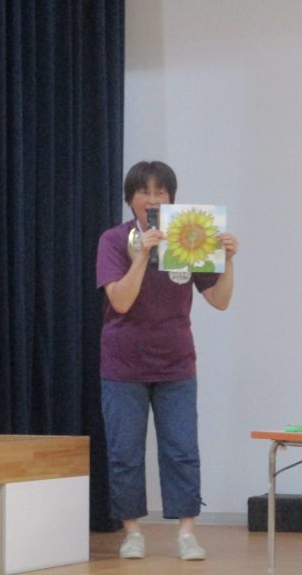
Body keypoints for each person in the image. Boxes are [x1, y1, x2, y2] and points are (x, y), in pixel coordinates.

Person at [96, 160, 238, 561]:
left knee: (181, 449)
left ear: (172, 199)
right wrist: (143, 253)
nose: (153, 199)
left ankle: (187, 533)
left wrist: (228, 260)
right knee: (125, 453)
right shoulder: (114, 240)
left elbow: (220, 300)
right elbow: (120, 301)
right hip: (123, 366)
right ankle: (132, 532)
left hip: (176, 364)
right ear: (130, 199)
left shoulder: (188, 236)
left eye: (161, 192)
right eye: (144, 191)